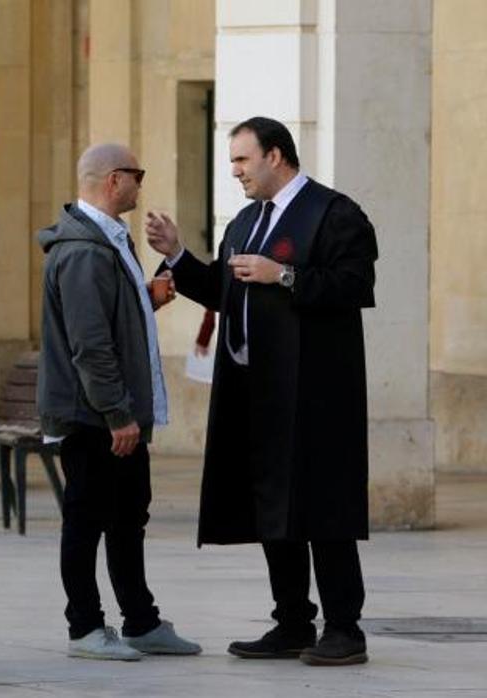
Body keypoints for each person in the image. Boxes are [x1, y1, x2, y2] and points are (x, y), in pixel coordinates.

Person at [145, 116, 377, 666]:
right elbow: (224, 293)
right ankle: (293, 621)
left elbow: (355, 285)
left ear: (276, 156)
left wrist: (286, 275)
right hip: (257, 391)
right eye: (232, 162)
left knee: (324, 507)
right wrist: (179, 257)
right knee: (275, 507)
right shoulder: (245, 222)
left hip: (317, 394)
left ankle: (345, 628)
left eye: (242, 160)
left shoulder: (335, 213)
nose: (235, 172)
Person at [36, 143, 201, 662]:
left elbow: (106, 320)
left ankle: (141, 621)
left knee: (129, 516)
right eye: (137, 174)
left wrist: (143, 298)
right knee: (86, 520)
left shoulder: (108, 241)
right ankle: (84, 627)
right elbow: (91, 345)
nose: (140, 183)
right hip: (95, 418)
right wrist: (118, 414)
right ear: (113, 180)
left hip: (111, 413)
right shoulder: (84, 250)